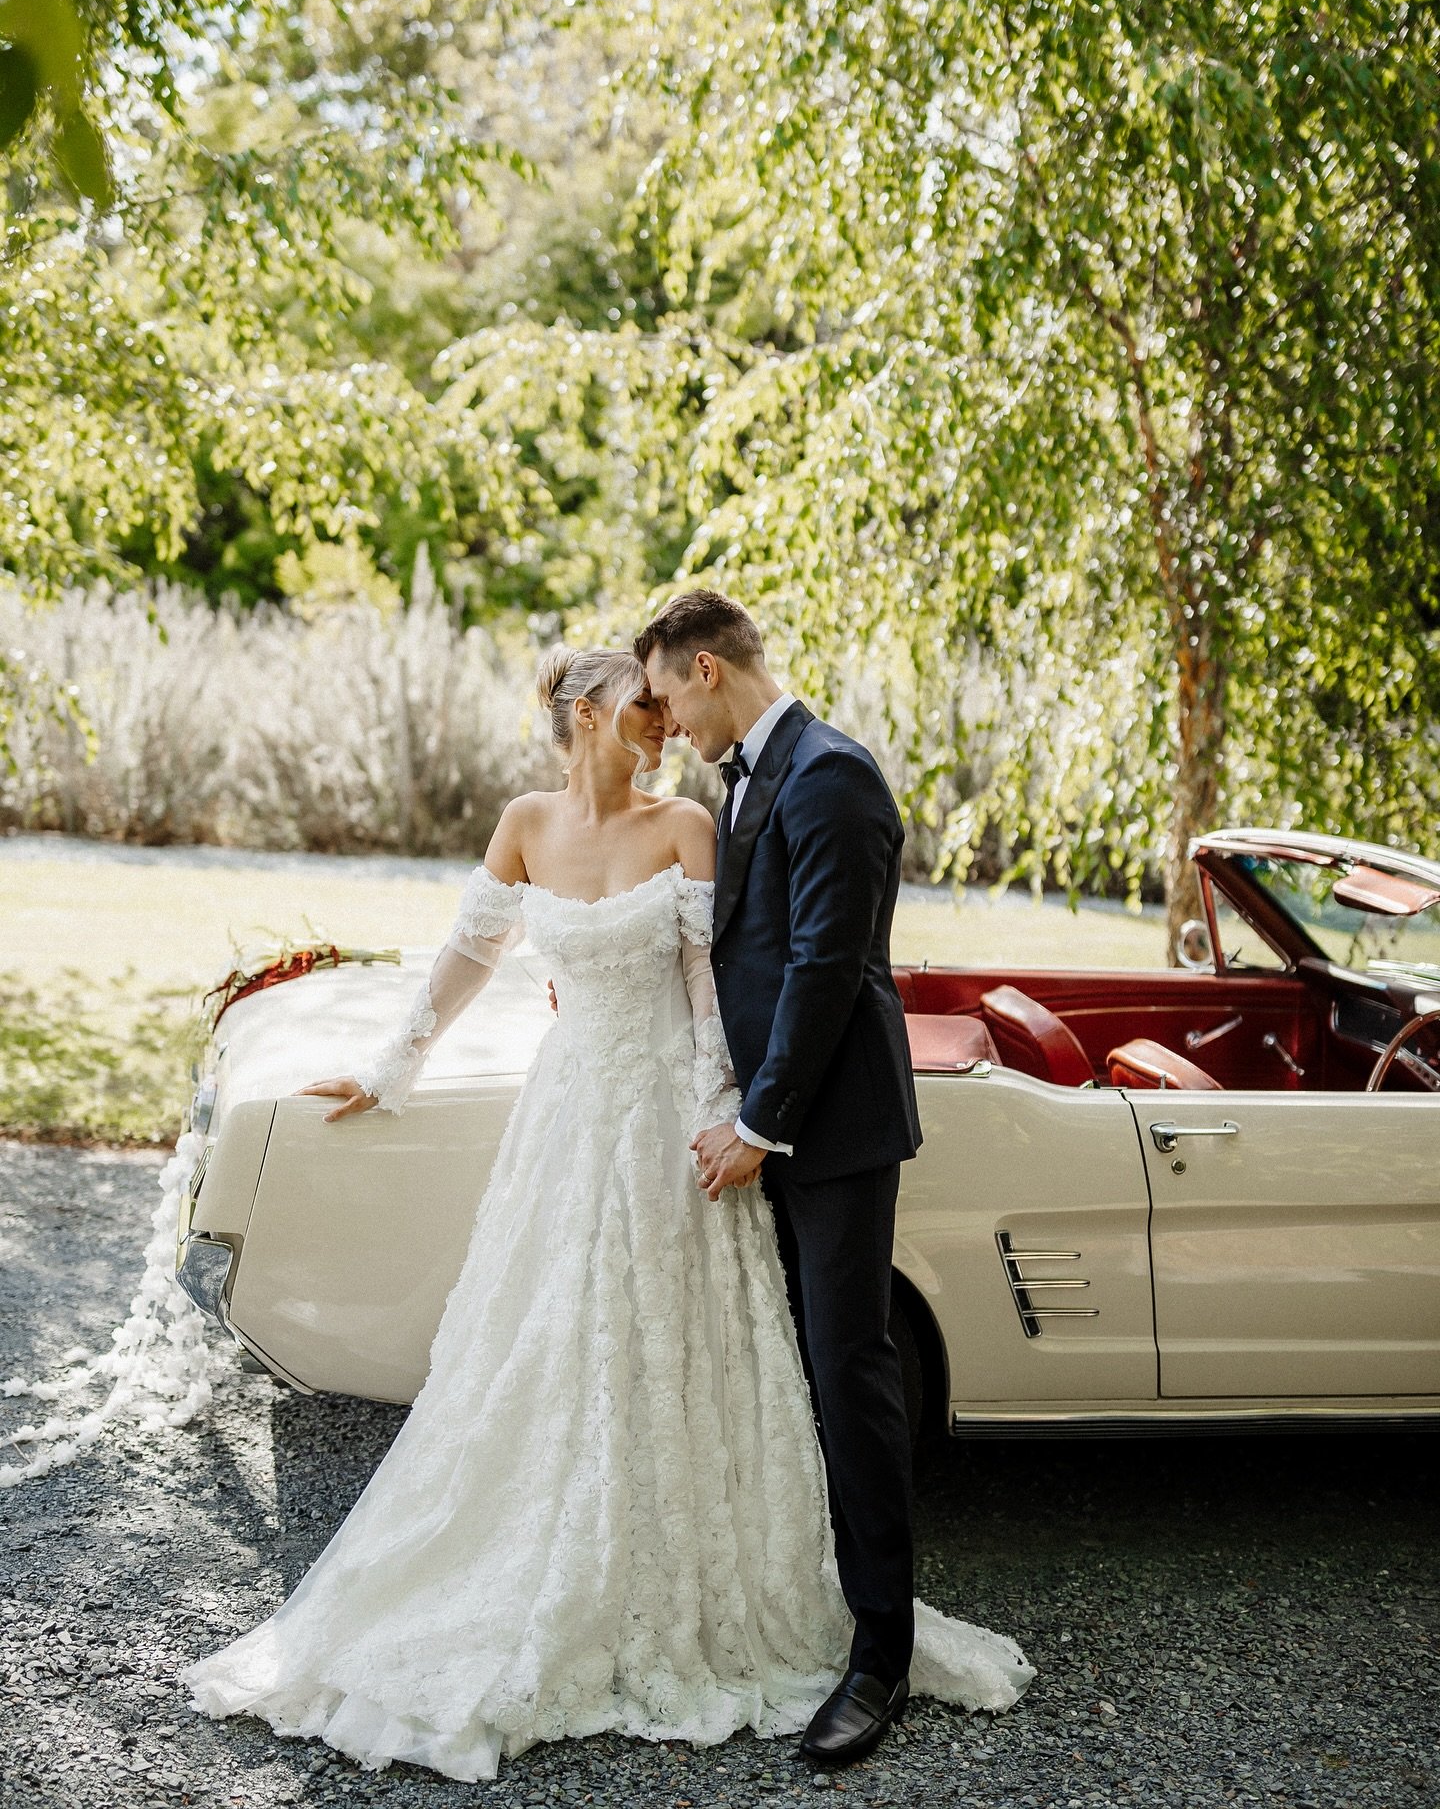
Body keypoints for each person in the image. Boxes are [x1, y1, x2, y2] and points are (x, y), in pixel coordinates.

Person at [178, 643, 1034, 1784]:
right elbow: (468, 951)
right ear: (585, 714)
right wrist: (389, 1070)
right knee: (546, 1347)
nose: (661, 726)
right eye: (641, 708)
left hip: (671, 1126)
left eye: (665, 704)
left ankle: (727, 1594)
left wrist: (730, 1118)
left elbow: (711, 987)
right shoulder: (524, 822)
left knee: (683, 1354)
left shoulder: (686, 828)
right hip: (567, 1119)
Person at [635, 589, 926, 1763]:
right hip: (775, 1123)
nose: (662, 721)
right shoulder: (750, 774)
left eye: (663, 696)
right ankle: (813, 1596)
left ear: (707, 669)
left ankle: (883, 1657)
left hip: (834, 1133)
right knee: (796, 1365)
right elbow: (743, 949)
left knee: (853, 1371)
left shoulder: (831, 774)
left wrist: (759, 1123)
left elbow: (823, 967)